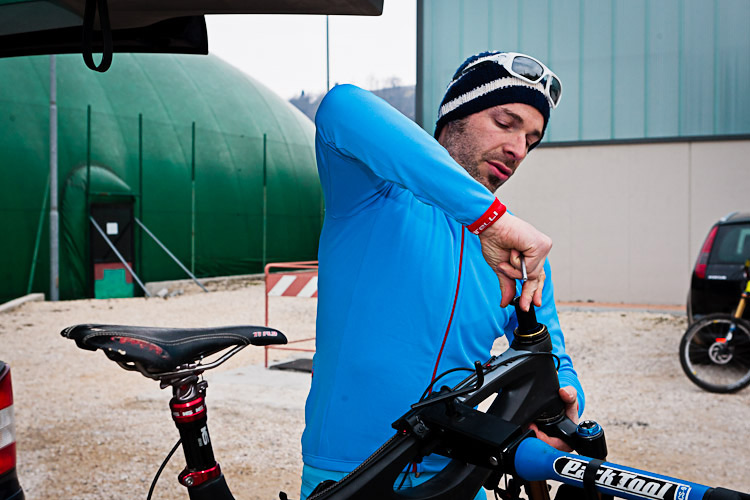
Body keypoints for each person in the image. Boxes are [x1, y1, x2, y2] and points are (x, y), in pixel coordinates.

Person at [300, 51, 583, 499]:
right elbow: (341, 107)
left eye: (531, 140)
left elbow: (552, 355)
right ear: (455, 115)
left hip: (459, 476)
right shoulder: (371, 193)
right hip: (350, 474)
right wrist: (491, 219)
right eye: (505, 122)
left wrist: (562, 401)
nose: (518, 149)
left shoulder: (514, 249)